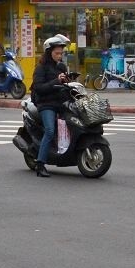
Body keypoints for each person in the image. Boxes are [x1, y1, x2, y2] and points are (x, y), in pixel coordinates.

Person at [30, 34, 75, 177]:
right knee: (50, 130)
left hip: (61, 103)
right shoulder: (41, 68)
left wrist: (69, 80)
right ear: (49, 53)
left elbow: (65, 85)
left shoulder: (61, 66)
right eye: (57, 53)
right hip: (46, 104)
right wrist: (56, 80)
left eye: (61, 53)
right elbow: (39, 88)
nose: (59, 56)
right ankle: (40, 164)